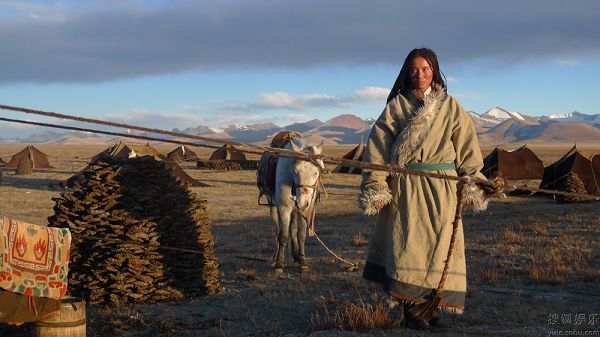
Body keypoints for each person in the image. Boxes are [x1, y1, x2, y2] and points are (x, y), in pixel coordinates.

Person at [358, 48, 491, 329]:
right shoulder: (396, 106)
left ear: (435, 72)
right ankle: (411, 312)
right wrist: (377, 187)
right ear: (407, 73)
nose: (420, 76)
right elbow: (377, 150)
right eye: (414, 70)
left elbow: (468, 147)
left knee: (441, 248)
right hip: (408, 189)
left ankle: (431, 309)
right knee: (408, 246)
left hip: (444, 189)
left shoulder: (450, 106)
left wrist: (473, 182)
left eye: (426, 70)